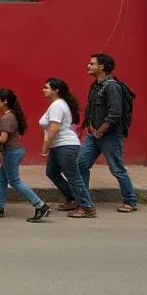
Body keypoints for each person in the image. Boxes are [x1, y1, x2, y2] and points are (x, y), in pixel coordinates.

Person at [78, 53, 138, 216]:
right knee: (81, 165)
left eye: (92, 64)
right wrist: (89, 128)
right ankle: (83, 201)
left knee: (116, 169)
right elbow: (91, 109)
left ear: (102, 66)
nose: (88, 66)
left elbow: (115, 112)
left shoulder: (111, 86)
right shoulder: (96, 85)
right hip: (93, 135)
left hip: (109, 135)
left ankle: (130, 200)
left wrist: (101, 129)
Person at [0, 89, 50, 222]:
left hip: (12, 152)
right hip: (12, 151)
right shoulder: (8, 116)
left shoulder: (7, 117)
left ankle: (40, 205)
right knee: (2, 178)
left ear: (5, 101)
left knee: (14, 181)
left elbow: (3, 139)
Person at [39, 77, 95, 215]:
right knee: (52, 172)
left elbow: (54, 129)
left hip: (65, 145)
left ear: (55, 90)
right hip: (59, 145)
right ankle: (72, 198)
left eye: (46, 87)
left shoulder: (57, 105)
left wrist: (45, 147)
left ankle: (87, 206)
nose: (43, 90)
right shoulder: (58, 104)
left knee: (73, 175)